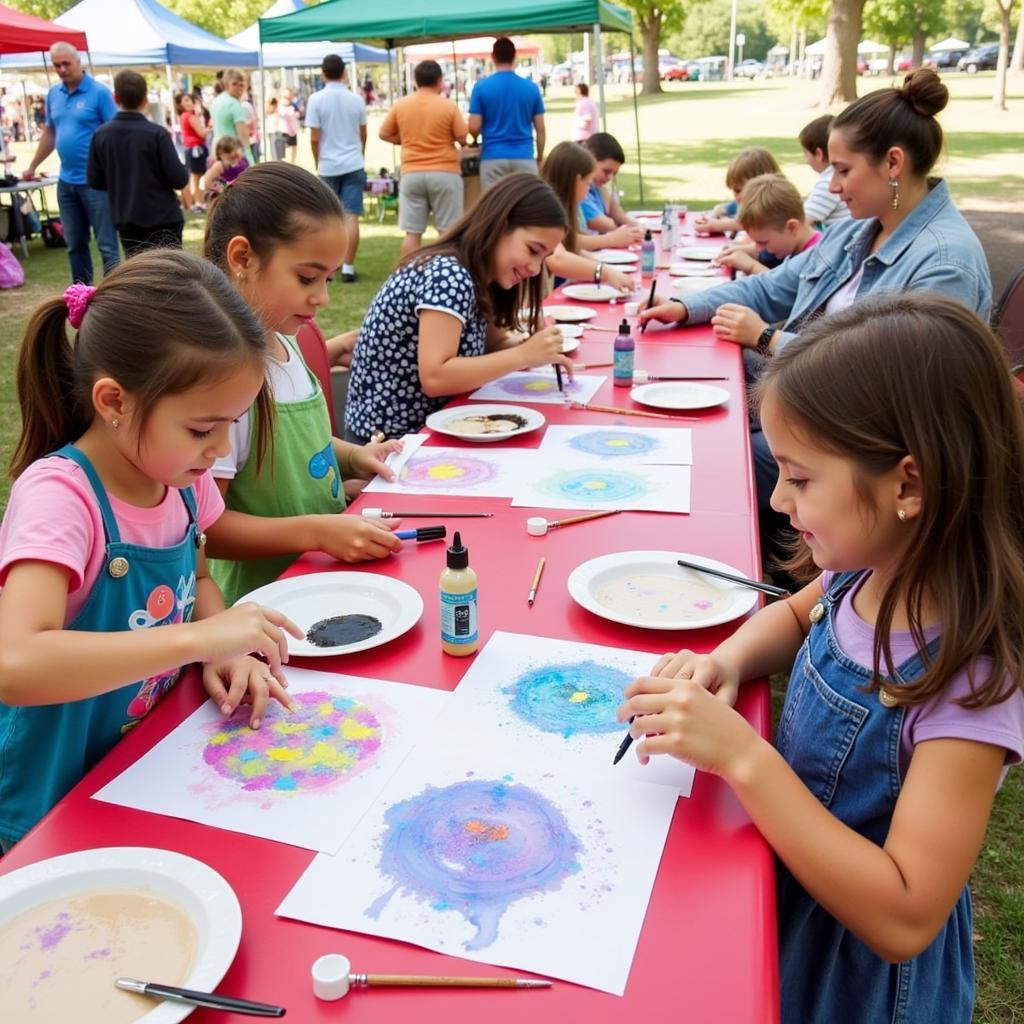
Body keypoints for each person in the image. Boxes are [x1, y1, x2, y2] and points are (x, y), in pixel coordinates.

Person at [618, 292, 1024, 1024]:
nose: (777, 499)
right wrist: (729, 660)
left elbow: (904, 917)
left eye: (801, 478)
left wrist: (745, 757)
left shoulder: (972, 684)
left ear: (908, 485)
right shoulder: (865, 570)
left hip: (857, 982)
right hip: (788, 889)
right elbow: (794, 613)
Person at [0, 250, 302, 851]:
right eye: (201, 428)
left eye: (231, 424)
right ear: (114, 402)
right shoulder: (62, 496)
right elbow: (16, 663)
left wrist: (227, 644)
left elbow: (199, 584)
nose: (219, 448)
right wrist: (197, 641)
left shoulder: (181, 482)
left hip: (143, 770)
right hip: (52, 804)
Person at [640, 69, 991, 513]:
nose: (835, 186)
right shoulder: (859, 232)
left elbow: (885, 381)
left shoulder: (944, 262)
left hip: (869, 453)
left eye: (843, 171)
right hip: (817, 412)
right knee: (702, 427)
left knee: (720, 455)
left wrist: (768, 339)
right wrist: (682, 306)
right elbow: (771, 288)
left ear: (894, 164)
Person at [201, 162, 404, 606]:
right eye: (308, 278)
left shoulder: (285, 345)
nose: (323, 296)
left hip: (322, 584)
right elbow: (208, 530)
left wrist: (353, 456)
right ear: (242, 258)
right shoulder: (222, 385)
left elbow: (302, 442)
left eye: (329, 278)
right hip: (267, 603)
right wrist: (317, 531)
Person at [344, 173, 572, 445]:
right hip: (389, 442)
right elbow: (436, 376)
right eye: (533, 250)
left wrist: (531, 348)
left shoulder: (478, 274)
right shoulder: (449, 275)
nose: (535, 269)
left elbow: (490, 345)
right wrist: (523, 355)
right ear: (500, 226)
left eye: (544, 258)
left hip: (430, 428)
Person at [21, 42, 120, 285]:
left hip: (96, 182)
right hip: (66, 182)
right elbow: (50, 133)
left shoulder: (99, 93)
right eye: (57, 65)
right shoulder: (54, 94)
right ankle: (80, 293)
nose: (62, 69)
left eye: (66, 63)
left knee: (107, 246)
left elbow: (115, 134)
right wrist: (32, 166)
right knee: (74, 245)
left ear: (79, 62)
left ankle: (115, 298)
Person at [87, 71, 189, 259]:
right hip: (163, 217)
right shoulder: (156, 134)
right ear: (145, 99)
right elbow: (179, 178)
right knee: (171, 274)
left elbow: (95, 180)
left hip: (127, 216)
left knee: (140, 274)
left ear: (115, 98)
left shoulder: (102, 135)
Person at [380, 60, 469, 257]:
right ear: (440, 81)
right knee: (448, 231)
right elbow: (463, 136)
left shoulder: (401, 105)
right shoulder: (448, 106)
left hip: (412, 172)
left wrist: (404, 140)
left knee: (412, 232)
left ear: (415, 81)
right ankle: (447, 273)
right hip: (445, 172)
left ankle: (407, 275)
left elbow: (384, 133)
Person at [306, 54, 367, 284]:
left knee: (326, 217)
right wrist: (361, 154)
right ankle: (348, 267)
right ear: (344, 72)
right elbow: (363, 133)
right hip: (353, 161)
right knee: (351, 215)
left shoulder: (316, 99)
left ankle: (326, 266)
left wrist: (317, 160)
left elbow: (314, 137)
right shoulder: (356, 99)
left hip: (328, 164)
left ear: (323, 74)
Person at [468, 37, 545, 190]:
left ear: (493, 57)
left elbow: (474, 126)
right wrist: (540, 157)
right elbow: (541, 128)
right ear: (514, 56)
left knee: (494, 209)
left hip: (493, 157)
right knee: (526, 208)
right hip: (524, 155)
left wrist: (476, 138)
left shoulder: (481, 87)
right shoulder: (531, 88)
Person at [543, 141, 643, 254]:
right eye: (588, 183)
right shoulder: (550, 211)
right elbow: (568, 244)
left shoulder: (573, 204)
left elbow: (578, 245)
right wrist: (611, 239)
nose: (609, 178)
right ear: (577, 181)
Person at [712, 174, 821, 276]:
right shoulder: (791, 243)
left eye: (763, 242)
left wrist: (752, 266)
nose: (760, 249)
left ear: (792, 227)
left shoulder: (816, 256)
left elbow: (789, 290)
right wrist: (738, 251)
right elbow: (762, 253)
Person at [693, 147, 780, 236]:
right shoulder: (743, 204)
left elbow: (751, 224)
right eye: (736, 190)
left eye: (739, 190)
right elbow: (728, 208)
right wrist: (719, 212)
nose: (739, 197)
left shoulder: (773, 205)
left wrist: (717, 225)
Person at [580, 132, 639, 234]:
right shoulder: (580, 190)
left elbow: (614, 209)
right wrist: (628, 229)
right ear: (590, 160)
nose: (610, 178)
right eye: (606, 171)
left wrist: (633, 224)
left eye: (614, 173)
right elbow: (601, 223)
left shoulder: (596, 186)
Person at [799, 113, 850, 230]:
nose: (806, 160)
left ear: (818, 154)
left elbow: (802, 222)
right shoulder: (836, 176)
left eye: (806, 154)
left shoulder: (828, 183)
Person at [176, 91, 211, 212]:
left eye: (189, 99)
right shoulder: (190, 116)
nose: (189, 102)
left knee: (194, 177)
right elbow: (201, 133)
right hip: (196, 149)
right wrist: (210, 128)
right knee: (197, 177)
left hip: (190, 149)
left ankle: (196, 203)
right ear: (180, 104)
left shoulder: (183, 116)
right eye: (185, 100)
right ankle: (199, 203)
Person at [210, 68, 252, 163]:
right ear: (226, 84)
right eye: (234, 84)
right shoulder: (234, 104)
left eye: (241, 85)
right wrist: (249, 157)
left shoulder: (216, 101)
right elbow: (243, 134)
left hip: (218, 152)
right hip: (233, 154)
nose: (239, 88)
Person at [279, 88, 299, 163]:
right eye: (285, 96)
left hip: (293, 130)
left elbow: (298, 114)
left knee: (294, 148)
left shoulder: (293, 105)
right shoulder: (280, 106)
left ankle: (292, 162)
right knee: (287, 149)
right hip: (284, 131)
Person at [266, 96, 285, 161]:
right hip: (272, 133)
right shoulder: (269, 114)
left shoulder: (278, 113)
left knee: (278, 151)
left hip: (277, 133)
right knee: (274, 150)